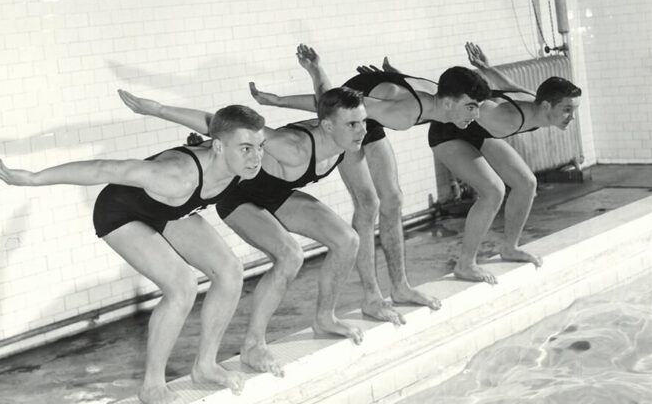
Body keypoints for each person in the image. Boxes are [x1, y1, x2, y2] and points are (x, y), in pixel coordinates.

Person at [0, 105, 266, 404]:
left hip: (167, 210)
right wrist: (35, 178)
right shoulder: (174, 176)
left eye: (260, 146)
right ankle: (152, 385)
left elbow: (210, 121)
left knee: (230, 272)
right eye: (246, 148)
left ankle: (205, 365)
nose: (256, 157)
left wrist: (157, 108)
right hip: (121, 212)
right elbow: (104, 169)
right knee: (182, 287)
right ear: (218, 146)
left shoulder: (234, 157)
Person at [118, 50, 367, 377]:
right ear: (327, 126)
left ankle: (325, 317)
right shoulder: (293, 146)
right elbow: (220, 124)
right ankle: (253, 345)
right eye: (353, 124)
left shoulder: (339, 134)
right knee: (290, 256)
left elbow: (325, 98)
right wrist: (159, 110)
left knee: (348, 240)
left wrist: (316, 69)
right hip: (239, 196)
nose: (362, 130)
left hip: (277, 193)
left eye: (363, 121)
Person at [250, 45, 491, 325]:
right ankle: (371, 298)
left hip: (371, 120)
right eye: (471, 107)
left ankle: (400, 288)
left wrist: (390, 77)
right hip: (350, 121)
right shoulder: (403, 112)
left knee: (394, 199)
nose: (475, 115)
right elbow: (333, 105)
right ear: (449, 102)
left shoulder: (434, 95)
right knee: (369, 203)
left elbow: (409, 84)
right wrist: (283, 97)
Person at [362, 43, 582, 284]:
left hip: (478, 133)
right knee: (493, 191)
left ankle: (510, 247)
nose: (571, 117)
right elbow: (450, 98)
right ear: (547, 106)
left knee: (526, 183)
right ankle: (465, 264)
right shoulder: (503, 118)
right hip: (449, 132)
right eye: (567, 110)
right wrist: (401, 81)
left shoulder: (534, 102)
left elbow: (510, 86)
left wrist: (487, 68)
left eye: (573, 110)